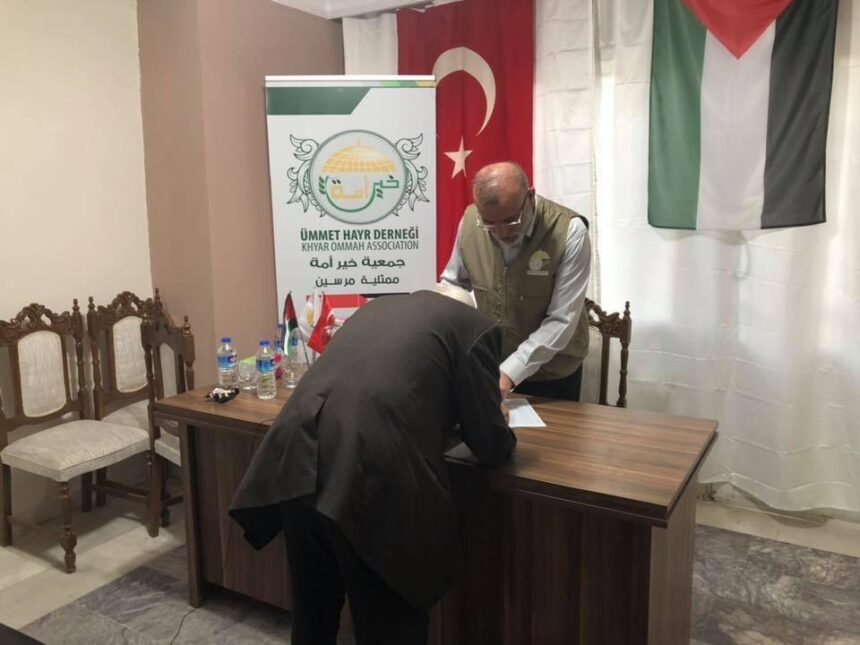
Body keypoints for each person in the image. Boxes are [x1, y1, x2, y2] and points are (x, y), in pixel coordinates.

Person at [228, 287, 516, 645]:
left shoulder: (376, 310)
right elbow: (490, 445)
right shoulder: (474, 325)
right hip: (365, 472)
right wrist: (497, 418)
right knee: (389, 629)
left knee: (313, 617)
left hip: (298, 457)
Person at [441, 161, 591, 401]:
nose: (502, 233)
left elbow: (562, 319)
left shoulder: (570, 231)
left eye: (511, 220)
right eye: (490, 224)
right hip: (492, 366)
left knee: (552, 428)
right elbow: (453, 286)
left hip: (552, 373)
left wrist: (510, 372)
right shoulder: (470, 221)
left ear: (530, 197)